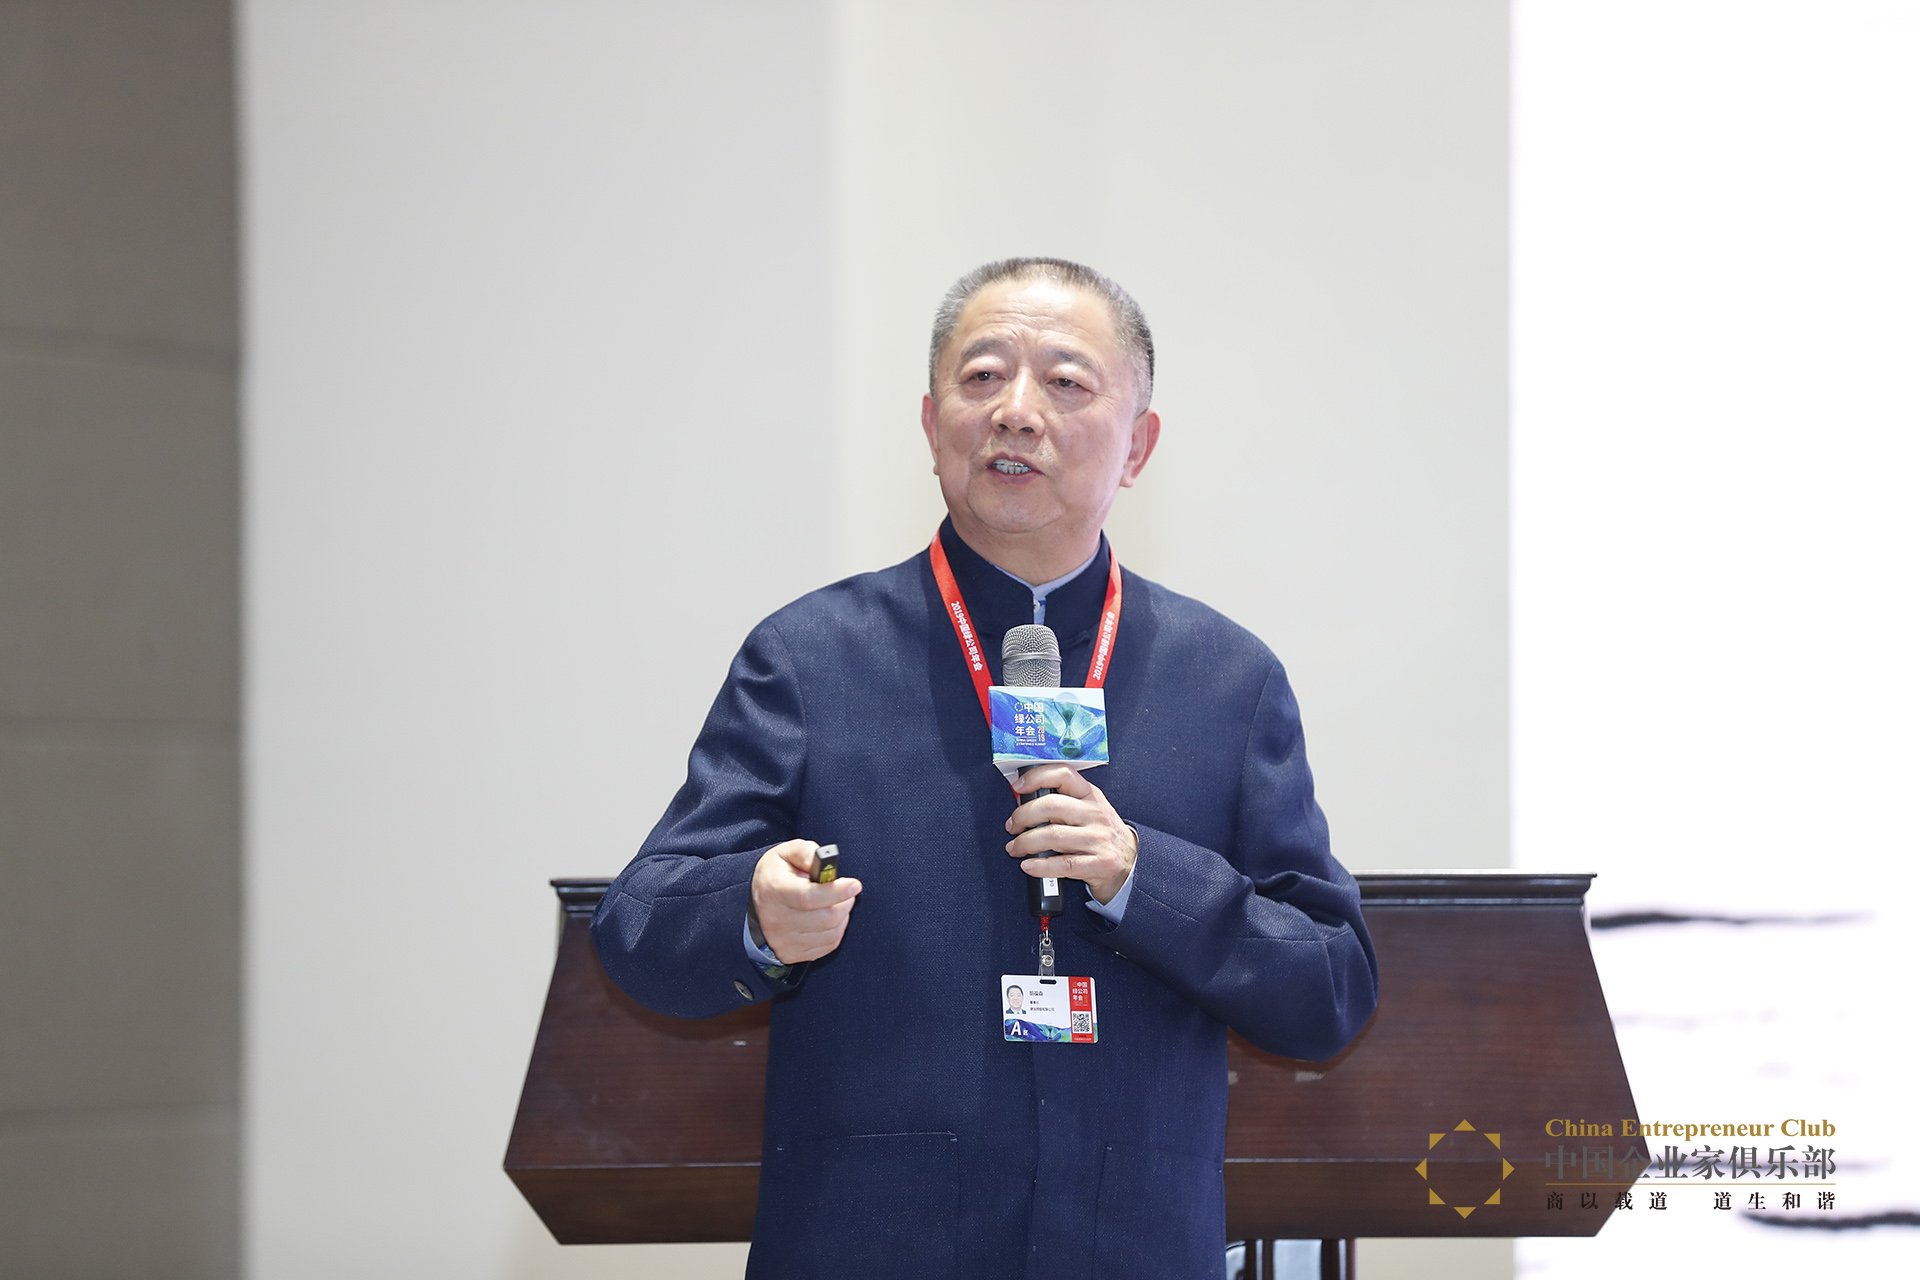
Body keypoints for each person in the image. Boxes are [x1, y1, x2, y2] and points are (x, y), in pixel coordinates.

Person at [592, 257, 1378, 1279]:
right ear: (932, 427)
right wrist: (754, 911)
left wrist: (1143, 876)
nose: (1015, 411)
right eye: (982, 377)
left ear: (1138, 445)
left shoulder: (1226, 679)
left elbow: (1331, 985)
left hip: (1130, 1243)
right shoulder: (810, 659)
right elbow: (639, 925)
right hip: (872, 1243)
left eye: (1065, 381)